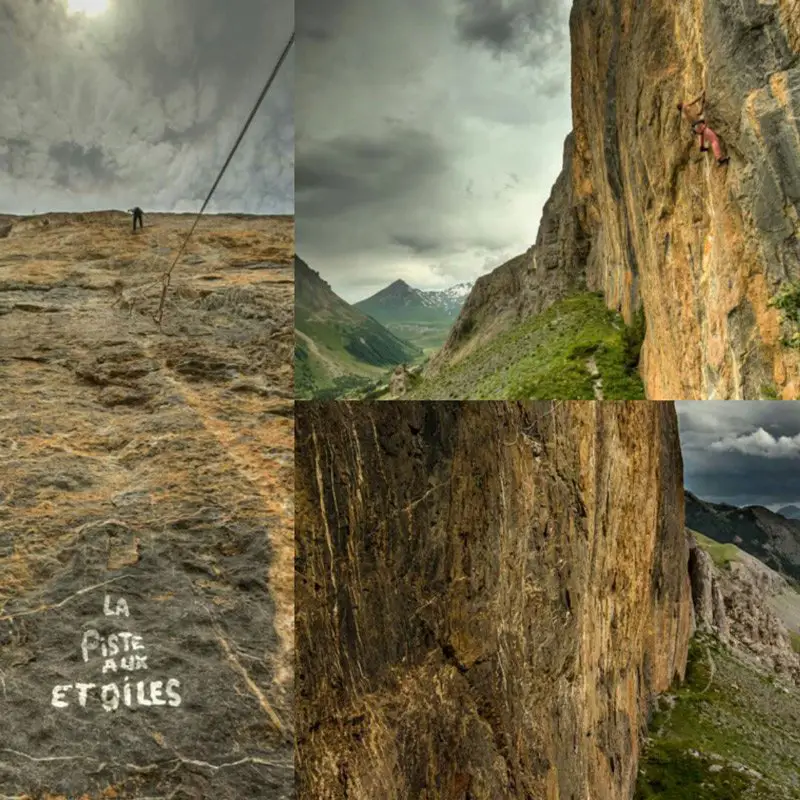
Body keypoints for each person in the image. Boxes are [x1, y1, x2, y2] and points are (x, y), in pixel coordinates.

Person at [677, 92, 730, 166]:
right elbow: (694, 101)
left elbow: (698, 112)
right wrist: (701, 93)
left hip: (697, 127)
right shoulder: (685, 110)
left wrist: (701, 98)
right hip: (699, 126)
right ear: (683, 106)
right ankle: (719, 159)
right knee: (714, 139)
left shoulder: (685, 112)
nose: (686, 103)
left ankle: (701, 146)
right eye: (684, 103)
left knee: (702, 133)